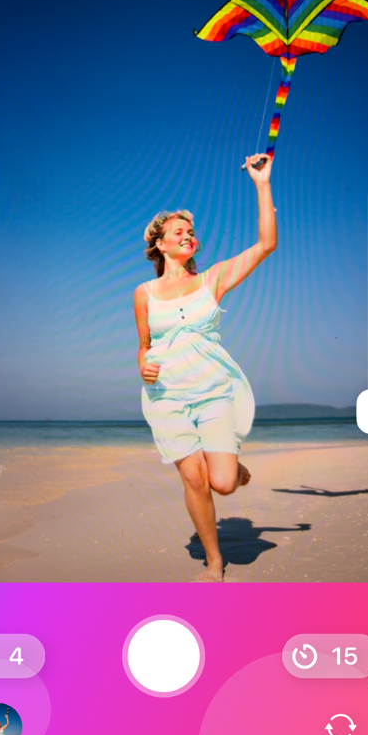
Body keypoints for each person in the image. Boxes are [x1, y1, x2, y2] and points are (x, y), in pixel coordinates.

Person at [134, 153, 277, 582]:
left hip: (214, 393)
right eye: (179, 231)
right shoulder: (144, 293)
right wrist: (143, 367)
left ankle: (232, 465)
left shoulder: (212, 280)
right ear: (161, 244)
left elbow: (266, 245)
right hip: (167, 398)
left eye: (191, 231)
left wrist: (261, 184)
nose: (189, 235)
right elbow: (143, 347)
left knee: (224, 484)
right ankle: (215, 562)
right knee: (194, 480)